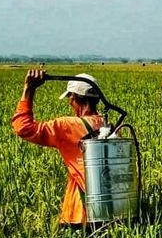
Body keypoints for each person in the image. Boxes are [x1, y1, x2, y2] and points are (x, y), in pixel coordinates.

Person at [12, 69, 104, 229]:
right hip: (111, 211)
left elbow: (23, 128)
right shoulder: (107, 125)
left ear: (74, 97)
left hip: (80, 213)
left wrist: (29, 89)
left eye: (70, 98)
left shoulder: (67, 126)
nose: (70, 103)